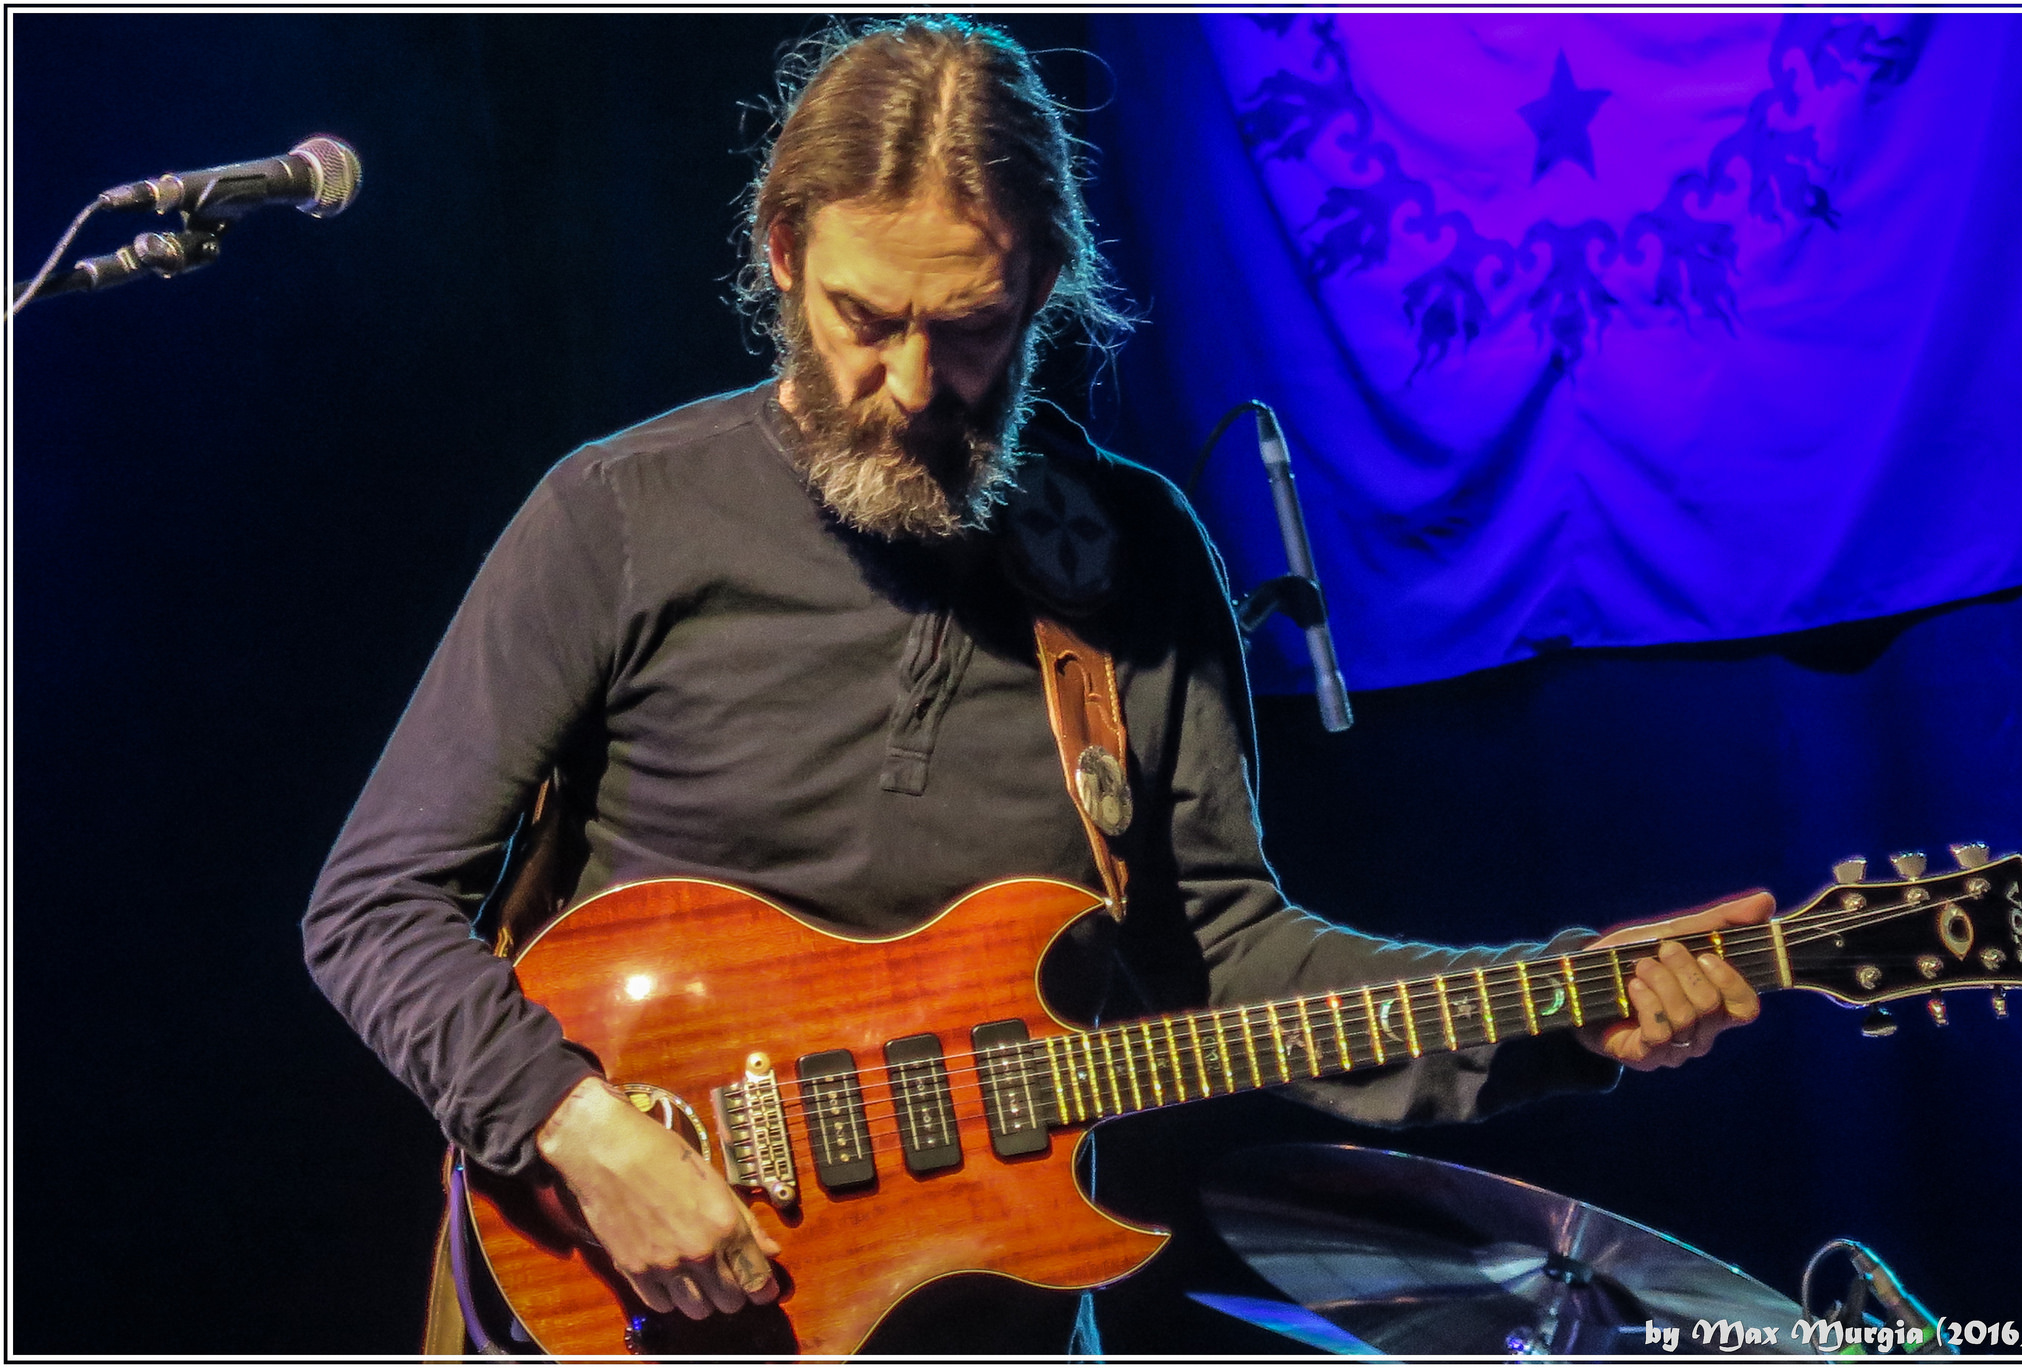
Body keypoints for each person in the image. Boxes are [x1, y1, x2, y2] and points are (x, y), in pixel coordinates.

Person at [303, 15, 1768, 1351]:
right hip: (646, 1301)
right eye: (866, 319)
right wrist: (581, 1129)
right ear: (782, 252)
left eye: (970, 329)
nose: (911, 385)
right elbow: (372, 906)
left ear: (1042, 288)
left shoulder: (1133, 557)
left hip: (986, 1312)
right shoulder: (619, 516)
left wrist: (1562, 1005)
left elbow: (1230, 955)